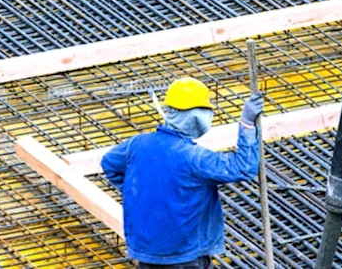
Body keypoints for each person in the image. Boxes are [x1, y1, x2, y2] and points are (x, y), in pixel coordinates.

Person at [101, 77, 264, 268]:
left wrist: (139, 193)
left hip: (146, 254)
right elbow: (243, 167)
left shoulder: (136, 144)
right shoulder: (194, 158)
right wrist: (247, 124)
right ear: (197, 115)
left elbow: (109, 163)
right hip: (185, 257)